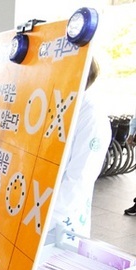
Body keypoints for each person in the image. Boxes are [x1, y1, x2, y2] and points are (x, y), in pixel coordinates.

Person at [49, 58, 111, 244]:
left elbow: (78, 179)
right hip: (41, 212)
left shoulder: (91, 114)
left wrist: (43, 218)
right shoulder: (57, 102)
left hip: (59, 221)